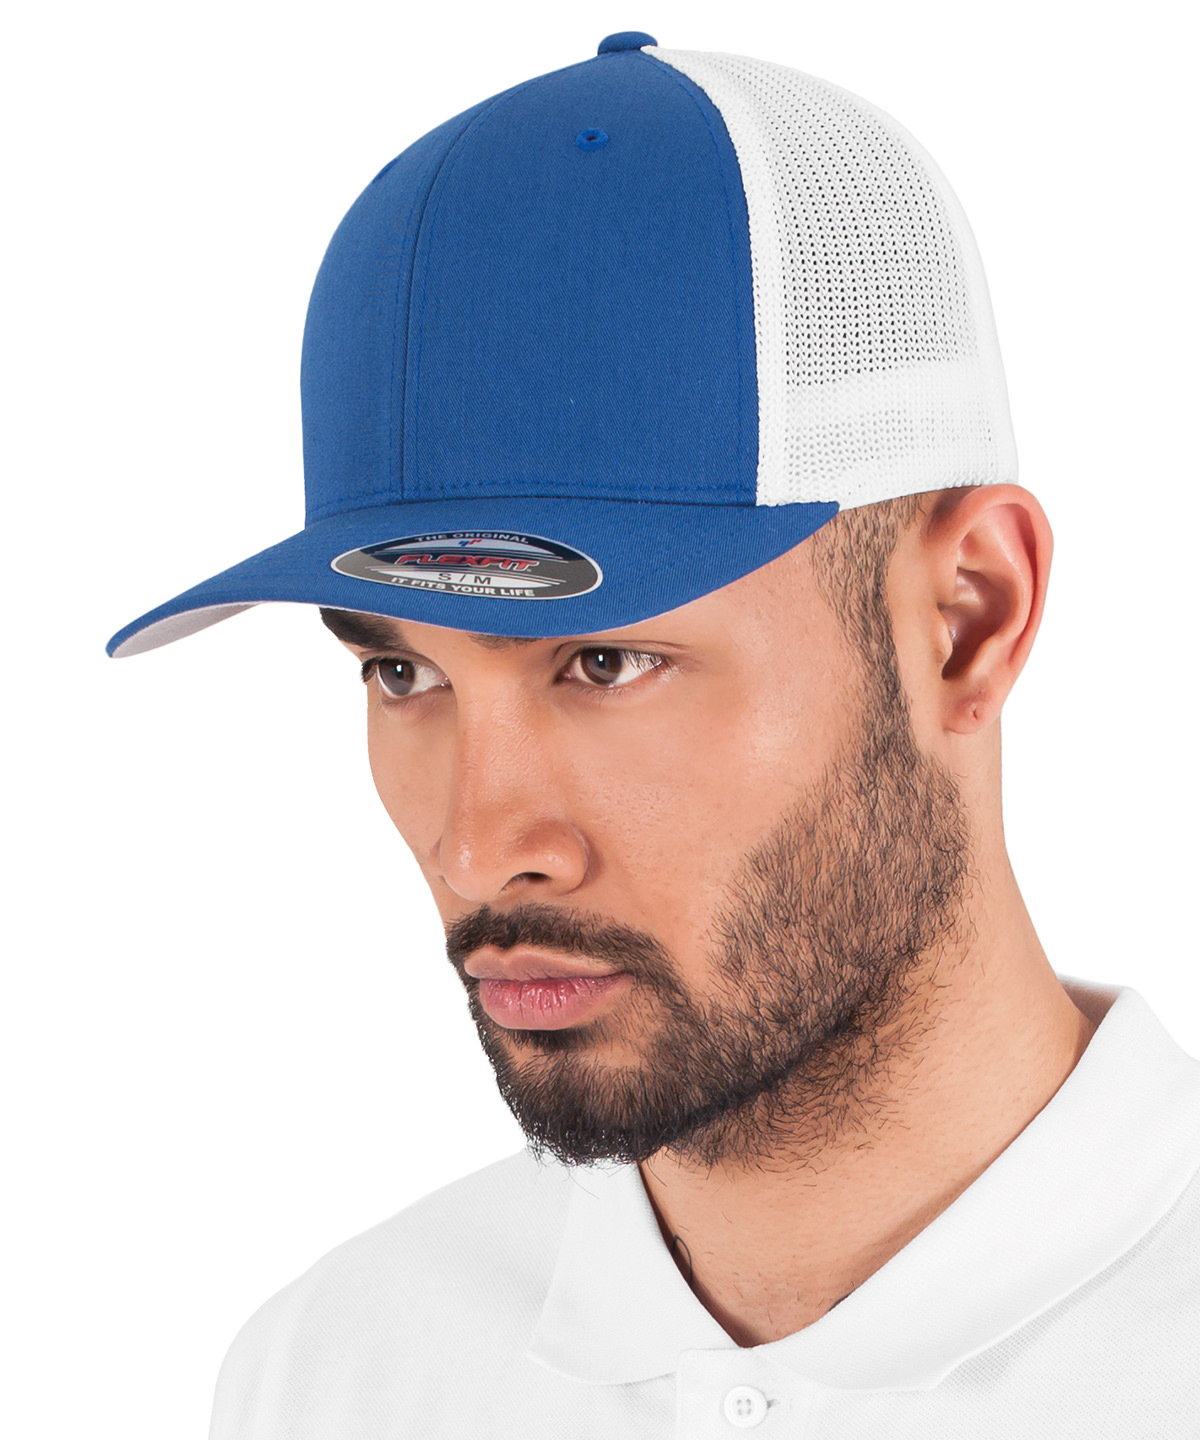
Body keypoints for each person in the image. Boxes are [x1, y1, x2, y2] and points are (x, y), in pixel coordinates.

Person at [108, 32, 1200, 1439]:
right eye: (402, 672)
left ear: (967, 619)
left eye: (608, 662)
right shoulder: (336, 1372)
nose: (480, 847)